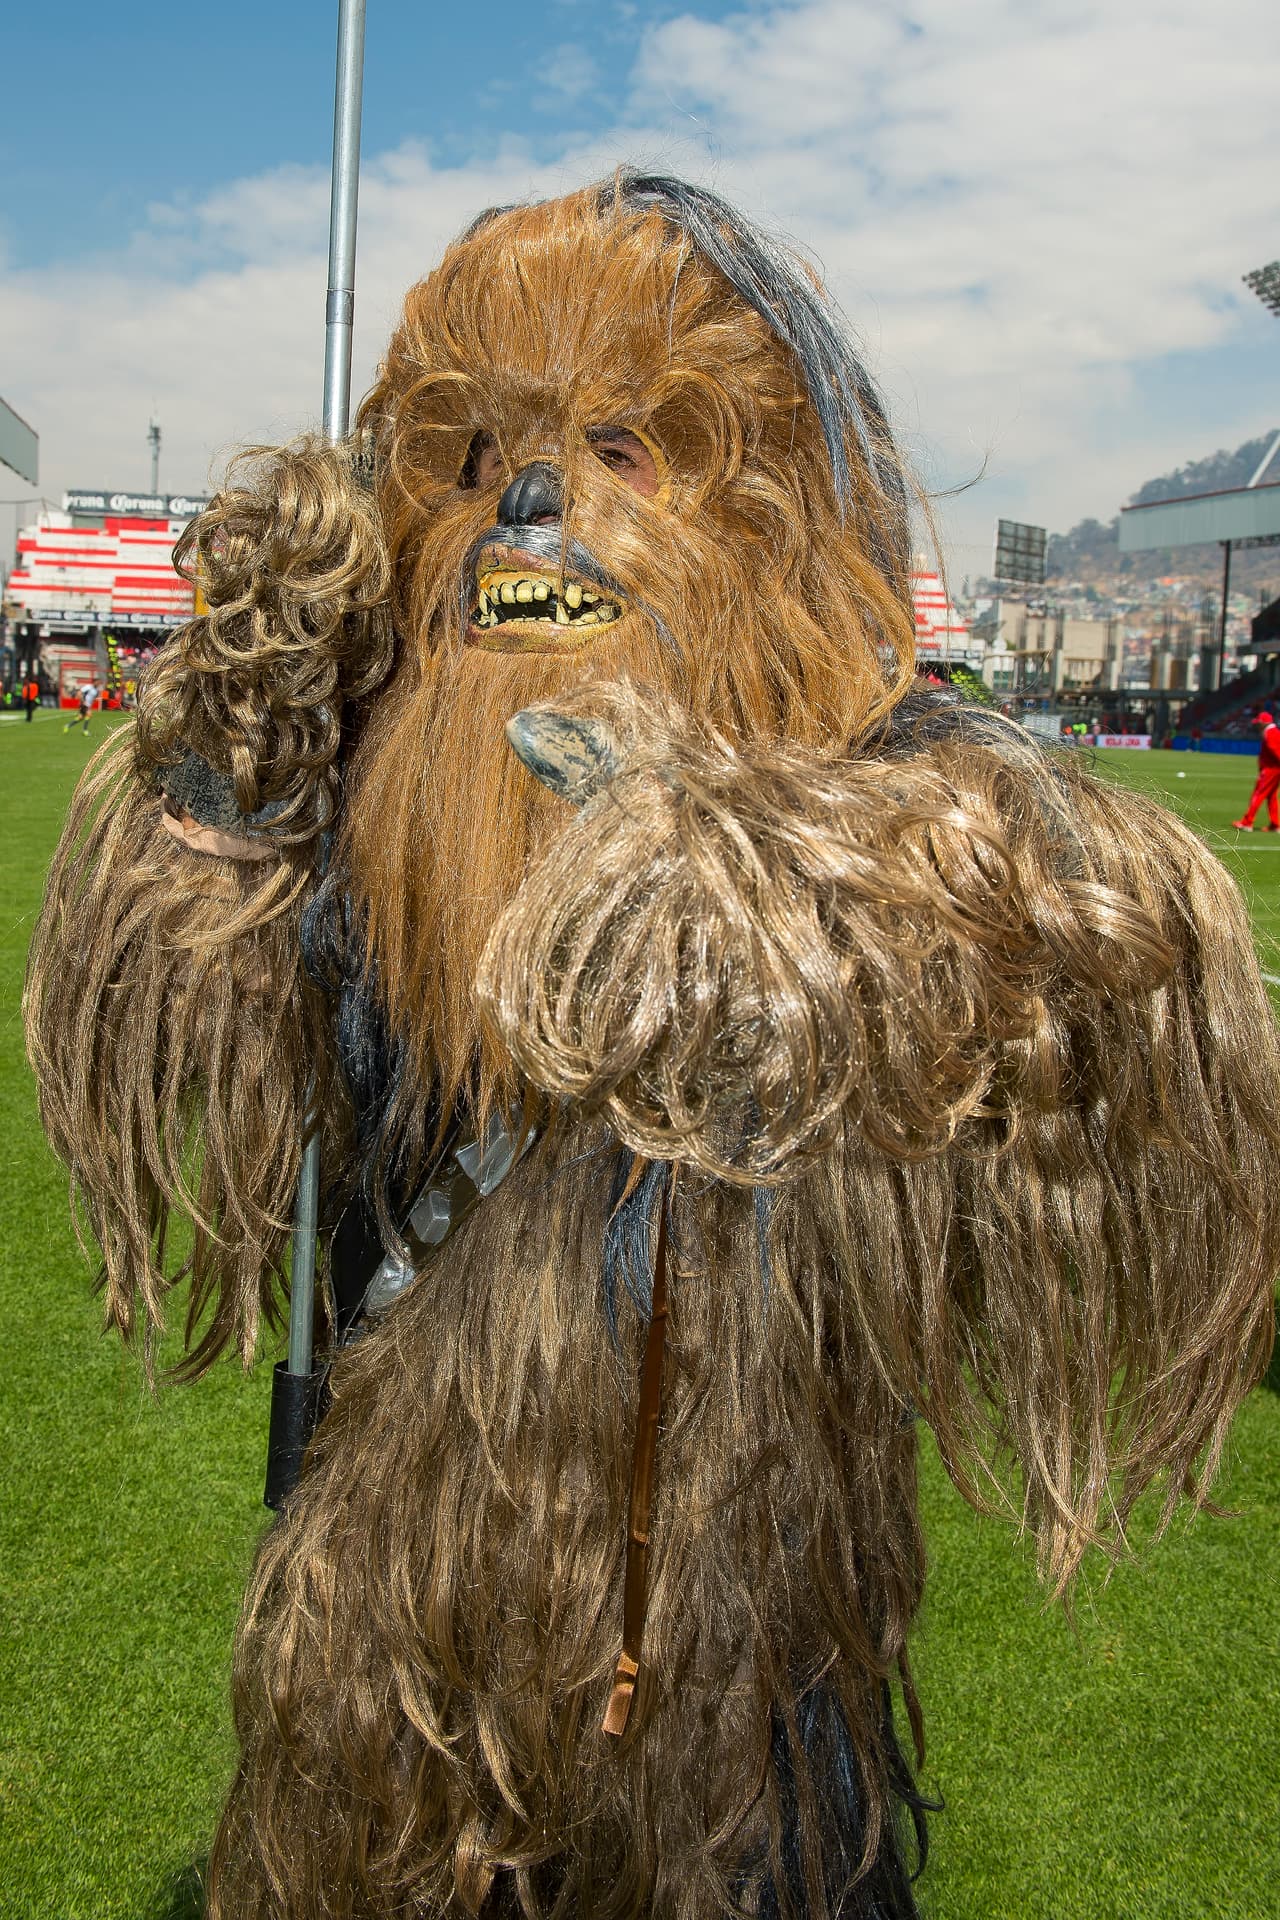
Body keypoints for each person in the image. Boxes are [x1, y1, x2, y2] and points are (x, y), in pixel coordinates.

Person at [25, 174, 1280, 1920]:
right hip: (376, 1665)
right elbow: (172, 1008)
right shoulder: (373, 833)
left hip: (736, 1693)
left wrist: (790, 906)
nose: (530, 510)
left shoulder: (896, 804)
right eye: (475, 461)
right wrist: (241, 741)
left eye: (622, 443)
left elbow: (1133, 1015)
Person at [1231, 709, 1280, 830]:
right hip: (1273, 769)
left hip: (1271, 769)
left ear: (1264, 722)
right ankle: (1275, 824)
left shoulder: (1270, 733)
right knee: (1271, 796)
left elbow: (1276, 752)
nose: (1257, 725)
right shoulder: (1272, 732)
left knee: (1258, 794)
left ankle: (1247, 822)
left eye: (1259, 723)